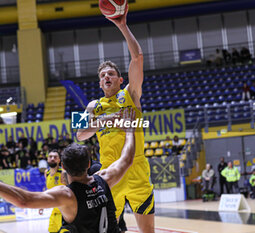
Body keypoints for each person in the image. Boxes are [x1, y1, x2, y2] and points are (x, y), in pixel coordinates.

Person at [0, 108, 136, 233]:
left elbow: (23, 200)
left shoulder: (67, 195)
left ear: (63, 167)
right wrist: (130, 129)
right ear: (89, 164)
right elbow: (127, 158)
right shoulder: (104, 179)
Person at [76, 8, 155, 233]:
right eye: (103, 76)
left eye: (110, 74)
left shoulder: (131, 94)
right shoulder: (92, 105)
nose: (106, 77)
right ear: (100, 84)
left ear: (120, 79)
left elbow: (138, 58)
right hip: (111, 174)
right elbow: (79, 135)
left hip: (138, 168)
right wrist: (107, 119)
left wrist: (122, 25)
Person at [46, 149, 65, 233]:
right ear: (47, 159)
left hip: (64, 212)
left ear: (59, 160)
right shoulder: (46, 173)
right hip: (54, 211)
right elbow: (49, 191)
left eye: (55, 157)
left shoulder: (64, 173)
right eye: (50, 157)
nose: (52, 158)